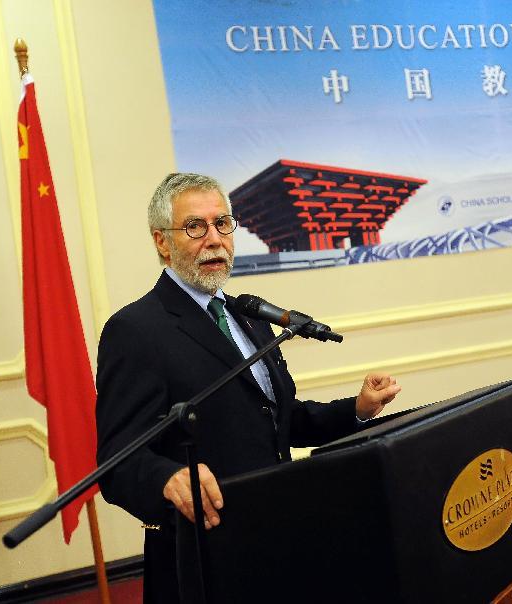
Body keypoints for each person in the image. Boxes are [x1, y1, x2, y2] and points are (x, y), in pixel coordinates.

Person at [95, 172, 401, 603]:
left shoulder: (249, 316)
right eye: (195, 227)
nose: (214, 239)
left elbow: (279, 419)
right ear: (162, 242)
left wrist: (357, 408)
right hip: (204, 556)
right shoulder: (135, 330)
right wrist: (166, 478)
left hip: (275, 537)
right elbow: (116, 462)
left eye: (222, 224)